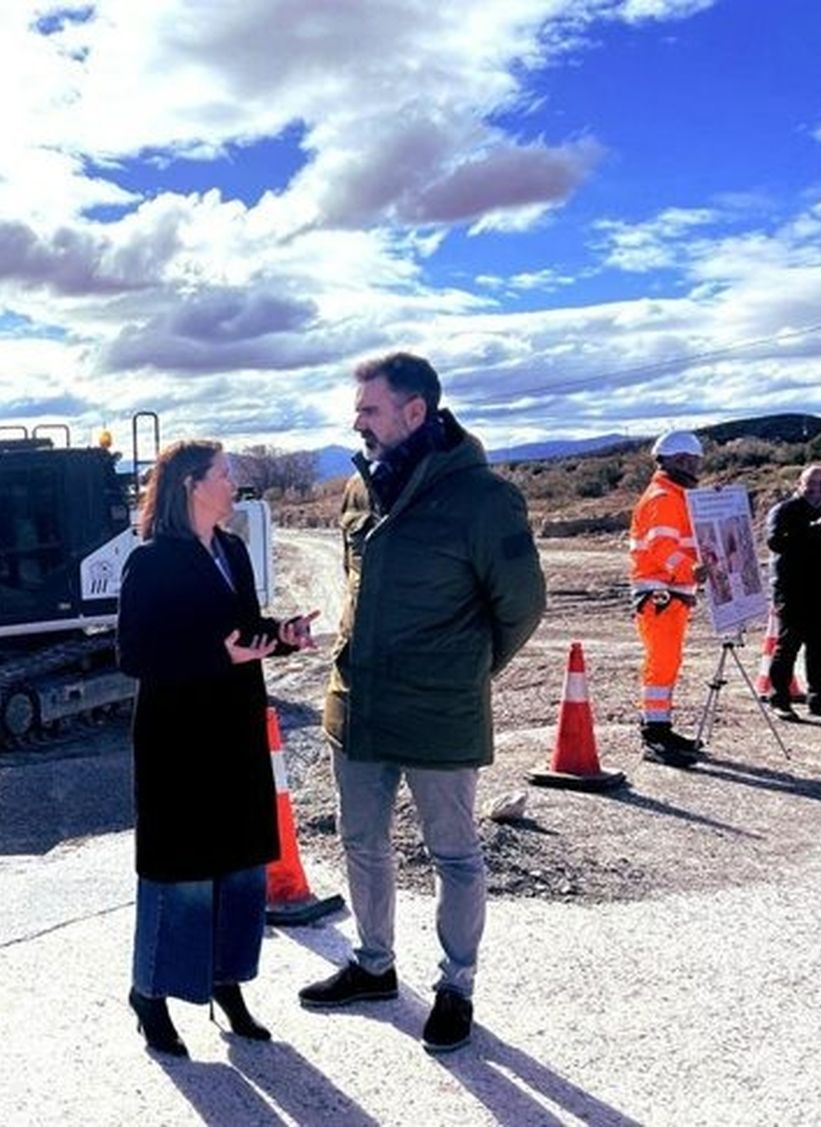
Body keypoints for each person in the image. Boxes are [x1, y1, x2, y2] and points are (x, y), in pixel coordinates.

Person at [297, 352, 545, 1054]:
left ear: (415, 412)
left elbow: (521, 607)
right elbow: (356, 588)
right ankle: (374, 965)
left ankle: (455, 985)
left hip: (439, 710)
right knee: (361, 841)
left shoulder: (483, 498)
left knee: (454, 853)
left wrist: (465, 670)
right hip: (361, 705)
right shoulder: (357, 490)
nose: (357, 421)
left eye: (369, 409)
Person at [116, 439, 319, 1058]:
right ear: (190, 486)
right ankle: (150, 993)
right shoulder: (150, 561)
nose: (234, 484)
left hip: (234, 729)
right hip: (178, 739)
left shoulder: (229, 549)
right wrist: (215, 655)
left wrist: (282, 637)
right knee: (179, 873)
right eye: (225, 475)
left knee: (240, 867)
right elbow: (134, 655)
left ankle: (226, 983)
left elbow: (243, 631)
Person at [629, 430, 707, 765]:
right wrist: (693, 571)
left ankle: (660, 727)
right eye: (690, 460)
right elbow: (662, 549)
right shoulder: (663, 498)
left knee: (667, 662)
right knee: (661, 663)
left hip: (670, 593)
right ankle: (654, 736)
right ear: (675, 460)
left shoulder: (673, 496)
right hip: (661, 593)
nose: (694, 466)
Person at [763, 465, 821, 720]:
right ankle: (780, 698)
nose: (817, 489)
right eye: (811, 483)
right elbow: (776, 542)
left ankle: (819, 699)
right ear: (800, 484)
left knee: (820, 647)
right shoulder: (785, 510)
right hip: (794, 590)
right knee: (788, 645)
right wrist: (816, 528)